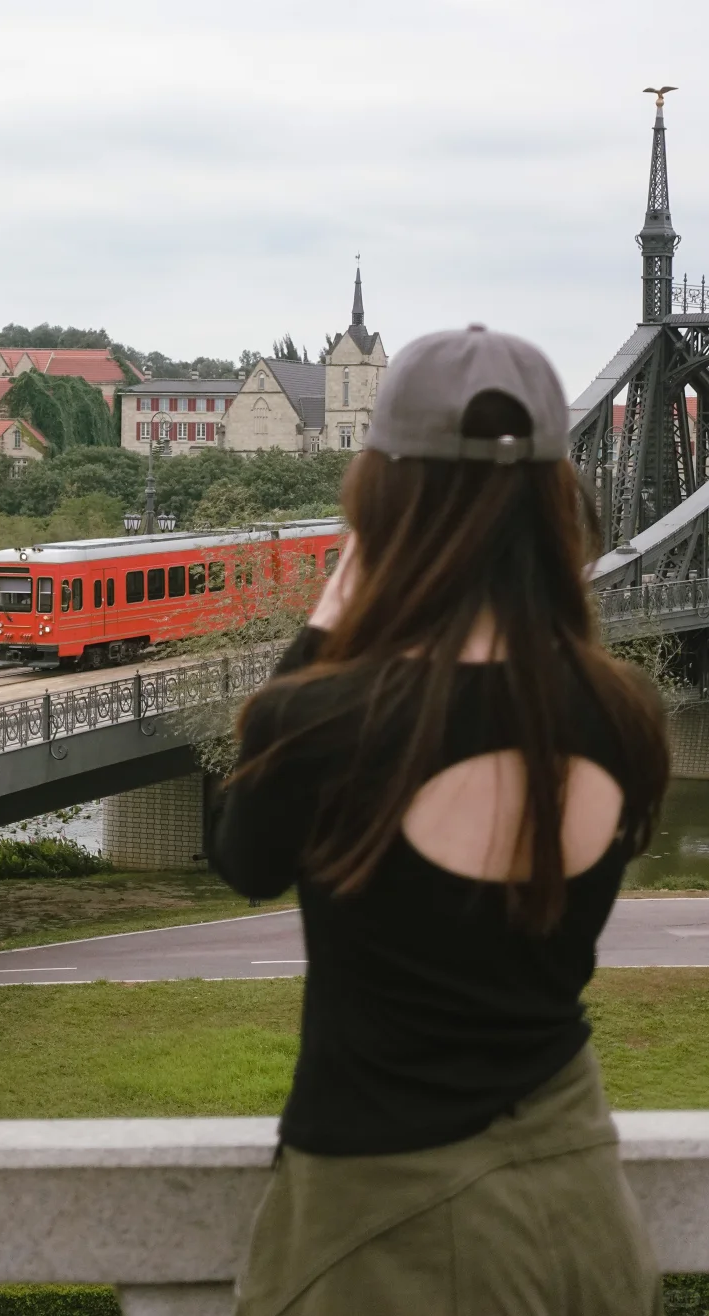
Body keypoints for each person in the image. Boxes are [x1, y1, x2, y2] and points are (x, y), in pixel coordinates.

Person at [209, 325, 669, 1316]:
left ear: (380, 501)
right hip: (584, 1214)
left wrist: (325, 626)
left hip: (395, 1234)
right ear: (557, 500)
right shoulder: (624, 714)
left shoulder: (326, 724)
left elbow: (241, 854)